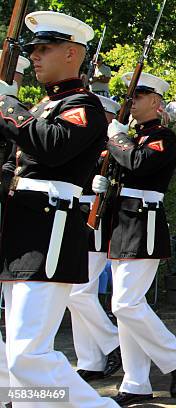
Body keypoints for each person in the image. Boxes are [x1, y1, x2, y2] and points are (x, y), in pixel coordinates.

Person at [0, 10, 118, 407]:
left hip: (49, 227)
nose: (34, 57)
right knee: (17, 355)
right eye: (33, 50)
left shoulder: (84, 105)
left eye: (44, 49)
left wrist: (7, 107)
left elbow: (52, 148)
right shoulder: (42, 106)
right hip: (23, 226)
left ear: (72, 54)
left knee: (27, 355)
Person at [92, 72, 176, 405]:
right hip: (121, 224)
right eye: (130, 97)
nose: (130, 102)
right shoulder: (133, 135)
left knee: (125, 303)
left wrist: (116, 141)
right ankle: (135, 382)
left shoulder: (161, 136)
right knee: (123, 307)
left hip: (142, 225)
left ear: (155, 101)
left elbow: (138, 163)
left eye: (137, 97)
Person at [68, 95, 122, 383]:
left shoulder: (112, 147)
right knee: (78, 293)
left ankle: (114, 343)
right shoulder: (84, 142)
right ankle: (91, 360)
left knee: (79, 292)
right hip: (77, 214)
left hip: (97, 217)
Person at [0, 48, 30, 408]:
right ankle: (11, 391)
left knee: (27, 346)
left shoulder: (17, 120)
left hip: (11, 219)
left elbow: (14, 168)